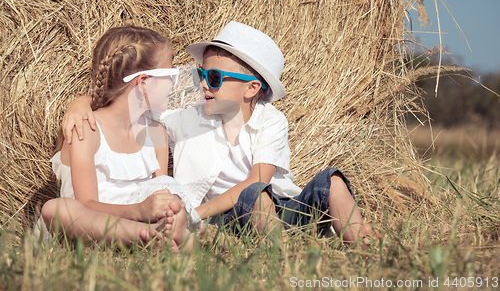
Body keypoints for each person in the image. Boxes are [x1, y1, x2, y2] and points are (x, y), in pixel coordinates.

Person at [64, 22, 375, 245]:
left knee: (330, 182)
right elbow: (130, 102)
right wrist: (81, 103)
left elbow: (258, 179)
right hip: (227, 222)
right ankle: (282, 260)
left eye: (214, 77)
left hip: (281, 208)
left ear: (252, 88)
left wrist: (194, 213)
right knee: (255, 200)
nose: (202, 84)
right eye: (201, 74)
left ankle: (362, 241)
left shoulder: (272, 121)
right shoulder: (186, 120)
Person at [39, 26, 197, 250]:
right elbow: (87, 205)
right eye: (170, 76)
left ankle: (167, 235)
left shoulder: (156, 132)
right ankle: (151, 237)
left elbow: (158, 192)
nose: (173, 85)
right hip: (88, 228)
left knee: (166, 185)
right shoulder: (86, 129)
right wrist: (138, 211)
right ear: (142, 84)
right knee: (55, 209)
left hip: (140, 221)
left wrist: (165, 208)